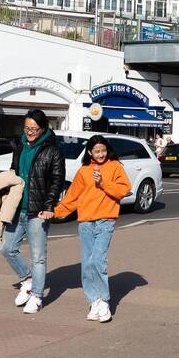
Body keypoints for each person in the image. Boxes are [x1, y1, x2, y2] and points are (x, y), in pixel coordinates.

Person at [53, 135, 129, 323]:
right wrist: (54, 213)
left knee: (98, 261)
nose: (101, 154)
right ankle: (93, 300)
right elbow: (72, 197)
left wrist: (103, 183)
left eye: (103, 150)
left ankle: (104, 301)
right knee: (87, 264)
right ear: (90, 152)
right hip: (86, 223)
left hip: (105, 221)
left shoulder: (115, 167)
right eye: (97, 151)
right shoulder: (83, 171)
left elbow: (123, 190)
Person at [1, 109, 65, 314]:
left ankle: (37, 296)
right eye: (27, 128)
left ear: (44, 128)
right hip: (18, 208)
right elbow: (14, 171)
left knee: (38, 257)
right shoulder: (19, 145)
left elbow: (57, 181)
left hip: (38, 211)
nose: (29, 132)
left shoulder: (53, 150)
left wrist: (49, 206)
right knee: (7, 248)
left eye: (34, 129)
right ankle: (27, 279)